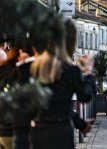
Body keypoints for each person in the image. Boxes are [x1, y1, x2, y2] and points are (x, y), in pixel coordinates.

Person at [29, 19, 92, 149]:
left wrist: (81, 124)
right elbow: (84, 96)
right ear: (71, 41)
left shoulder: (36, 66)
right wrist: (88, 72)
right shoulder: (69, 69)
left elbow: (54, 105)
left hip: (37, 130)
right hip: (60, 132)